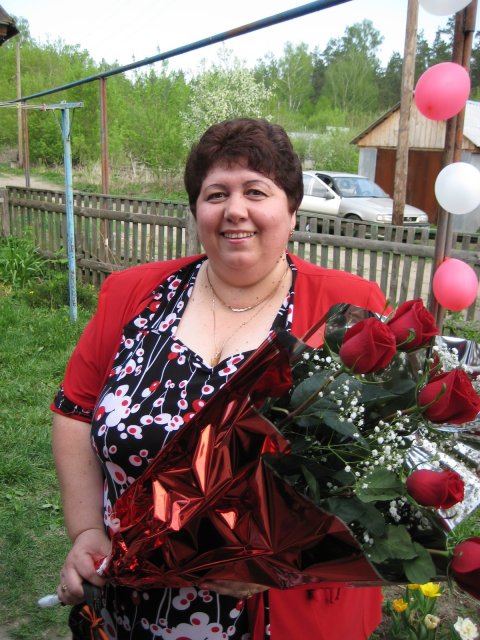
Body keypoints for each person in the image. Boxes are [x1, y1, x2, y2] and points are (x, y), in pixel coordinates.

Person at [51, 117, 386, 640]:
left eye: (256, 191)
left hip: (279, 613)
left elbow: (378, 465)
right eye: (216, 194)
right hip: (131, 601)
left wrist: (283, 559)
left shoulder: (347, 306)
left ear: (292, 210)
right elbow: (75, 411)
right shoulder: (132, 293)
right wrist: (87, 530)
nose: (235, 210)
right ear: (196, 211)